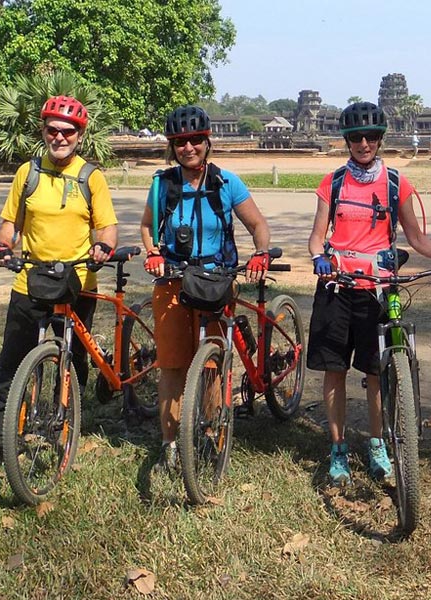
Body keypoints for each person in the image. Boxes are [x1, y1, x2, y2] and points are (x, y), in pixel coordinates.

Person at [307, 102, 431, 484]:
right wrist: (319, 257)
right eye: (356, 137)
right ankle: (338, 447)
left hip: (377, 289)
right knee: (334, 370)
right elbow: (317, 238)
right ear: (347, 141)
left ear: (380, 139)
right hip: (338, 284)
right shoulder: (332, 183)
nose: (363, 143)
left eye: (371, 137)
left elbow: (415, 238)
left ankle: (377, 442)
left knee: (375, 372)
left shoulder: (396, 184)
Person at [0, 96, 119, 474]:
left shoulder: (91, 177)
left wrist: (104, 246)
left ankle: (65, 423)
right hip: (30, 280)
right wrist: (2, 245)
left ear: (79, 135)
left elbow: (107, 226)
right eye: (52, 130)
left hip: (77, 281)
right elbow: (11, 223)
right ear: (43, 132)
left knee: (74, 359)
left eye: (67, 131)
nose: (59, 137)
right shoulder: (29, 173)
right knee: (11, 363)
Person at [138, 105, 271, 473]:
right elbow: (147, 226)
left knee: (212, 361)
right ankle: (169, 444)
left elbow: (257, 223)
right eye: (180, 142)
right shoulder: (161, 185)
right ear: (172, 146)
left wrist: (260, 253)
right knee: (172, 366)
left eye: (195, 140)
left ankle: (212, 433)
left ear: (207, 142)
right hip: (173, 281)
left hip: (215, 280)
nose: (188, 147)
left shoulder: (227, 183)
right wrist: (152, 252)